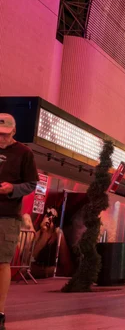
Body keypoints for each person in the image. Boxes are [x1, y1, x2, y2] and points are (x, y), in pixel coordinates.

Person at [0, 114, 39, 330]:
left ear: (14, 132)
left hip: (6, 214)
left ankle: (0, 311)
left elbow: (32, 183)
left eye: (5, 135)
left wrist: (13, 189)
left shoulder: (24, 153)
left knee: (2, 262)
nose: (1, 139)